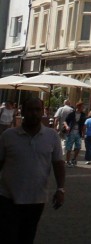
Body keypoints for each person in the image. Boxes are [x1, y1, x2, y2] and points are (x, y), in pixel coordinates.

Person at [0, 95, 66, 244]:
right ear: (22, 111)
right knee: (7, 235)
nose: (34, 113)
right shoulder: (8, 136)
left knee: (27, 235)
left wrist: (61, 189)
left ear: (43, 111)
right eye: (30, 110)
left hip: (36, 197)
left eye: (38, 110)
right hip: (8, 196)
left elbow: (58, 163)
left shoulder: (51, 136)